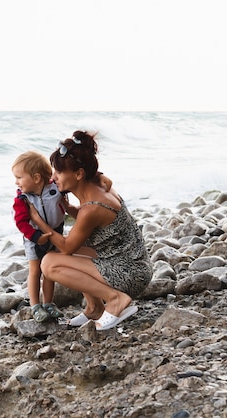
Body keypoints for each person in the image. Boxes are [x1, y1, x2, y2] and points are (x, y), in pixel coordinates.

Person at [28, 130, 152, 330]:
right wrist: (69, 209)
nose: (53, 177)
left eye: (59, 172)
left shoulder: (93, 207)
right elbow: (97, 224)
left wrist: (38, 221)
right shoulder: (98, 184)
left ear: (79, 174)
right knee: (61, 251)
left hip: (130, 272)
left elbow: (68, 247)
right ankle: (94, 308)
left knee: (50, 263)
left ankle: (115, 299)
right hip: (127, 260)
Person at [11, 151, 68, 322]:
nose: (16, 182)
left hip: (56, 233)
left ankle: (49, 303)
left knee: (50, 272)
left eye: (19, 177)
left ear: (36, 178)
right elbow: (21, 222)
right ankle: (35, 306)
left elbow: (72, 181)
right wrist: (36, 236)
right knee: (35, 271)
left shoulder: (55, 189)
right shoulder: (22, 199)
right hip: (34, 239)